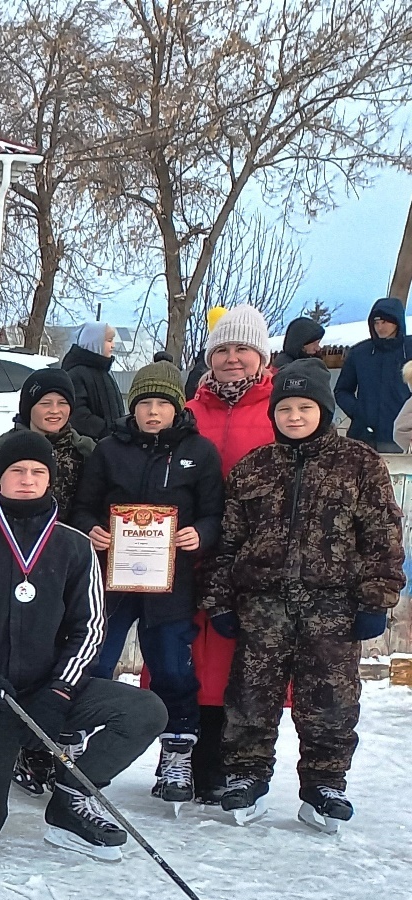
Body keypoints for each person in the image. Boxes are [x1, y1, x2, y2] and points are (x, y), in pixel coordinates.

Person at [0, 433, 167, 859]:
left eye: (38, 472)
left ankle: (72, 797)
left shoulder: (75, 546)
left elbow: (89, 626)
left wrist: (61, 688)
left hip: (51, 691)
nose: (28, 480)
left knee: (146, 711)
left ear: (50, 479)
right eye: (17, 471)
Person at [204, 360, 406, 830]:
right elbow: (229, 541)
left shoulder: (359, 464)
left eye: (305, 407)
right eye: (286, 408)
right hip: (262, 605)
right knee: (251, 697)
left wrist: (376, 599)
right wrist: (220, 599)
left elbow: (383, 536)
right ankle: (245, 776)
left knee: (330, 700)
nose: (294, 416)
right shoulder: (254, 468)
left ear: (325, 410)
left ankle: (324, 784)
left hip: (332, 607)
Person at [72, 360, 222, 803]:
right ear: (132, 407)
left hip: (170, 584)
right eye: (144, 403)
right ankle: (74, 742)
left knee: (173, 669)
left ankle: (176, 752)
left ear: (177, 407)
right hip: (112, 582)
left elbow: (216, 511)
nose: (153, 412)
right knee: (95, 662)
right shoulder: (109, 450)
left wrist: (202, 533)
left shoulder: (200, 451)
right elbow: (84, 506)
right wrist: (92, 530)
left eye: (162, 403)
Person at [182, 304, 276, 803]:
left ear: (261, 355)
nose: (233, 358)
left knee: (245, 661)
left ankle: (236, 763)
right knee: (190, 660)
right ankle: (187, 757)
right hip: (191, 553)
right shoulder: (189, 412)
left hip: (256, 559)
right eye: (223, 349)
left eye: (243, 349)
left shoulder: (280, 409)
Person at [0, 366, 95, 511]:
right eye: (45, 403)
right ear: (29, 407)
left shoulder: (87, 452)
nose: (54, 410)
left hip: (69, 532)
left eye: (62, 403)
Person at [333, 297, 411, 452]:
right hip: (364, 436)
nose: (380, 327)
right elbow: (342, 390)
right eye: (376, 322)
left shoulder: (409, 349)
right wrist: (359, 411)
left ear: (397, 322)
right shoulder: (360, 353)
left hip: (402, 435)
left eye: (385, 322)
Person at [58, 321, 122, 437]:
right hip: (88, 448)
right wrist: (107, 431)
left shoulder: (103, 372)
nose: (113, 345)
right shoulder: (76, 374)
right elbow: (78, 415)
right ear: (94, 342)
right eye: (109, 340)